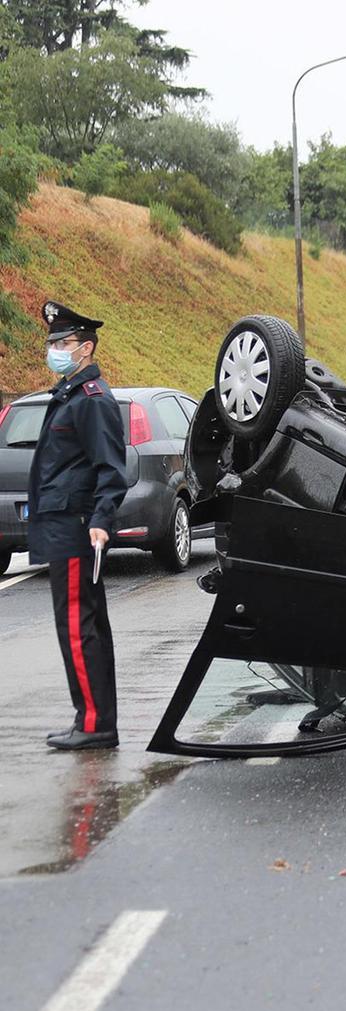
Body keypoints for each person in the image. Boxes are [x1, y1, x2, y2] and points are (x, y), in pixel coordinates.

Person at [28, 301, 127, 750]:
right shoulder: (70, 395)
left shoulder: (91, 401)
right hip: (63, 524)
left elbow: (111, 468)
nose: (54, 350)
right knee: (84, 625)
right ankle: (94, 719)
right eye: (52, 343)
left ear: (85, 348)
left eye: (62, 343)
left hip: (77, 526)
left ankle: (93, 723)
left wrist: (102, 521)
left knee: (78, 626)